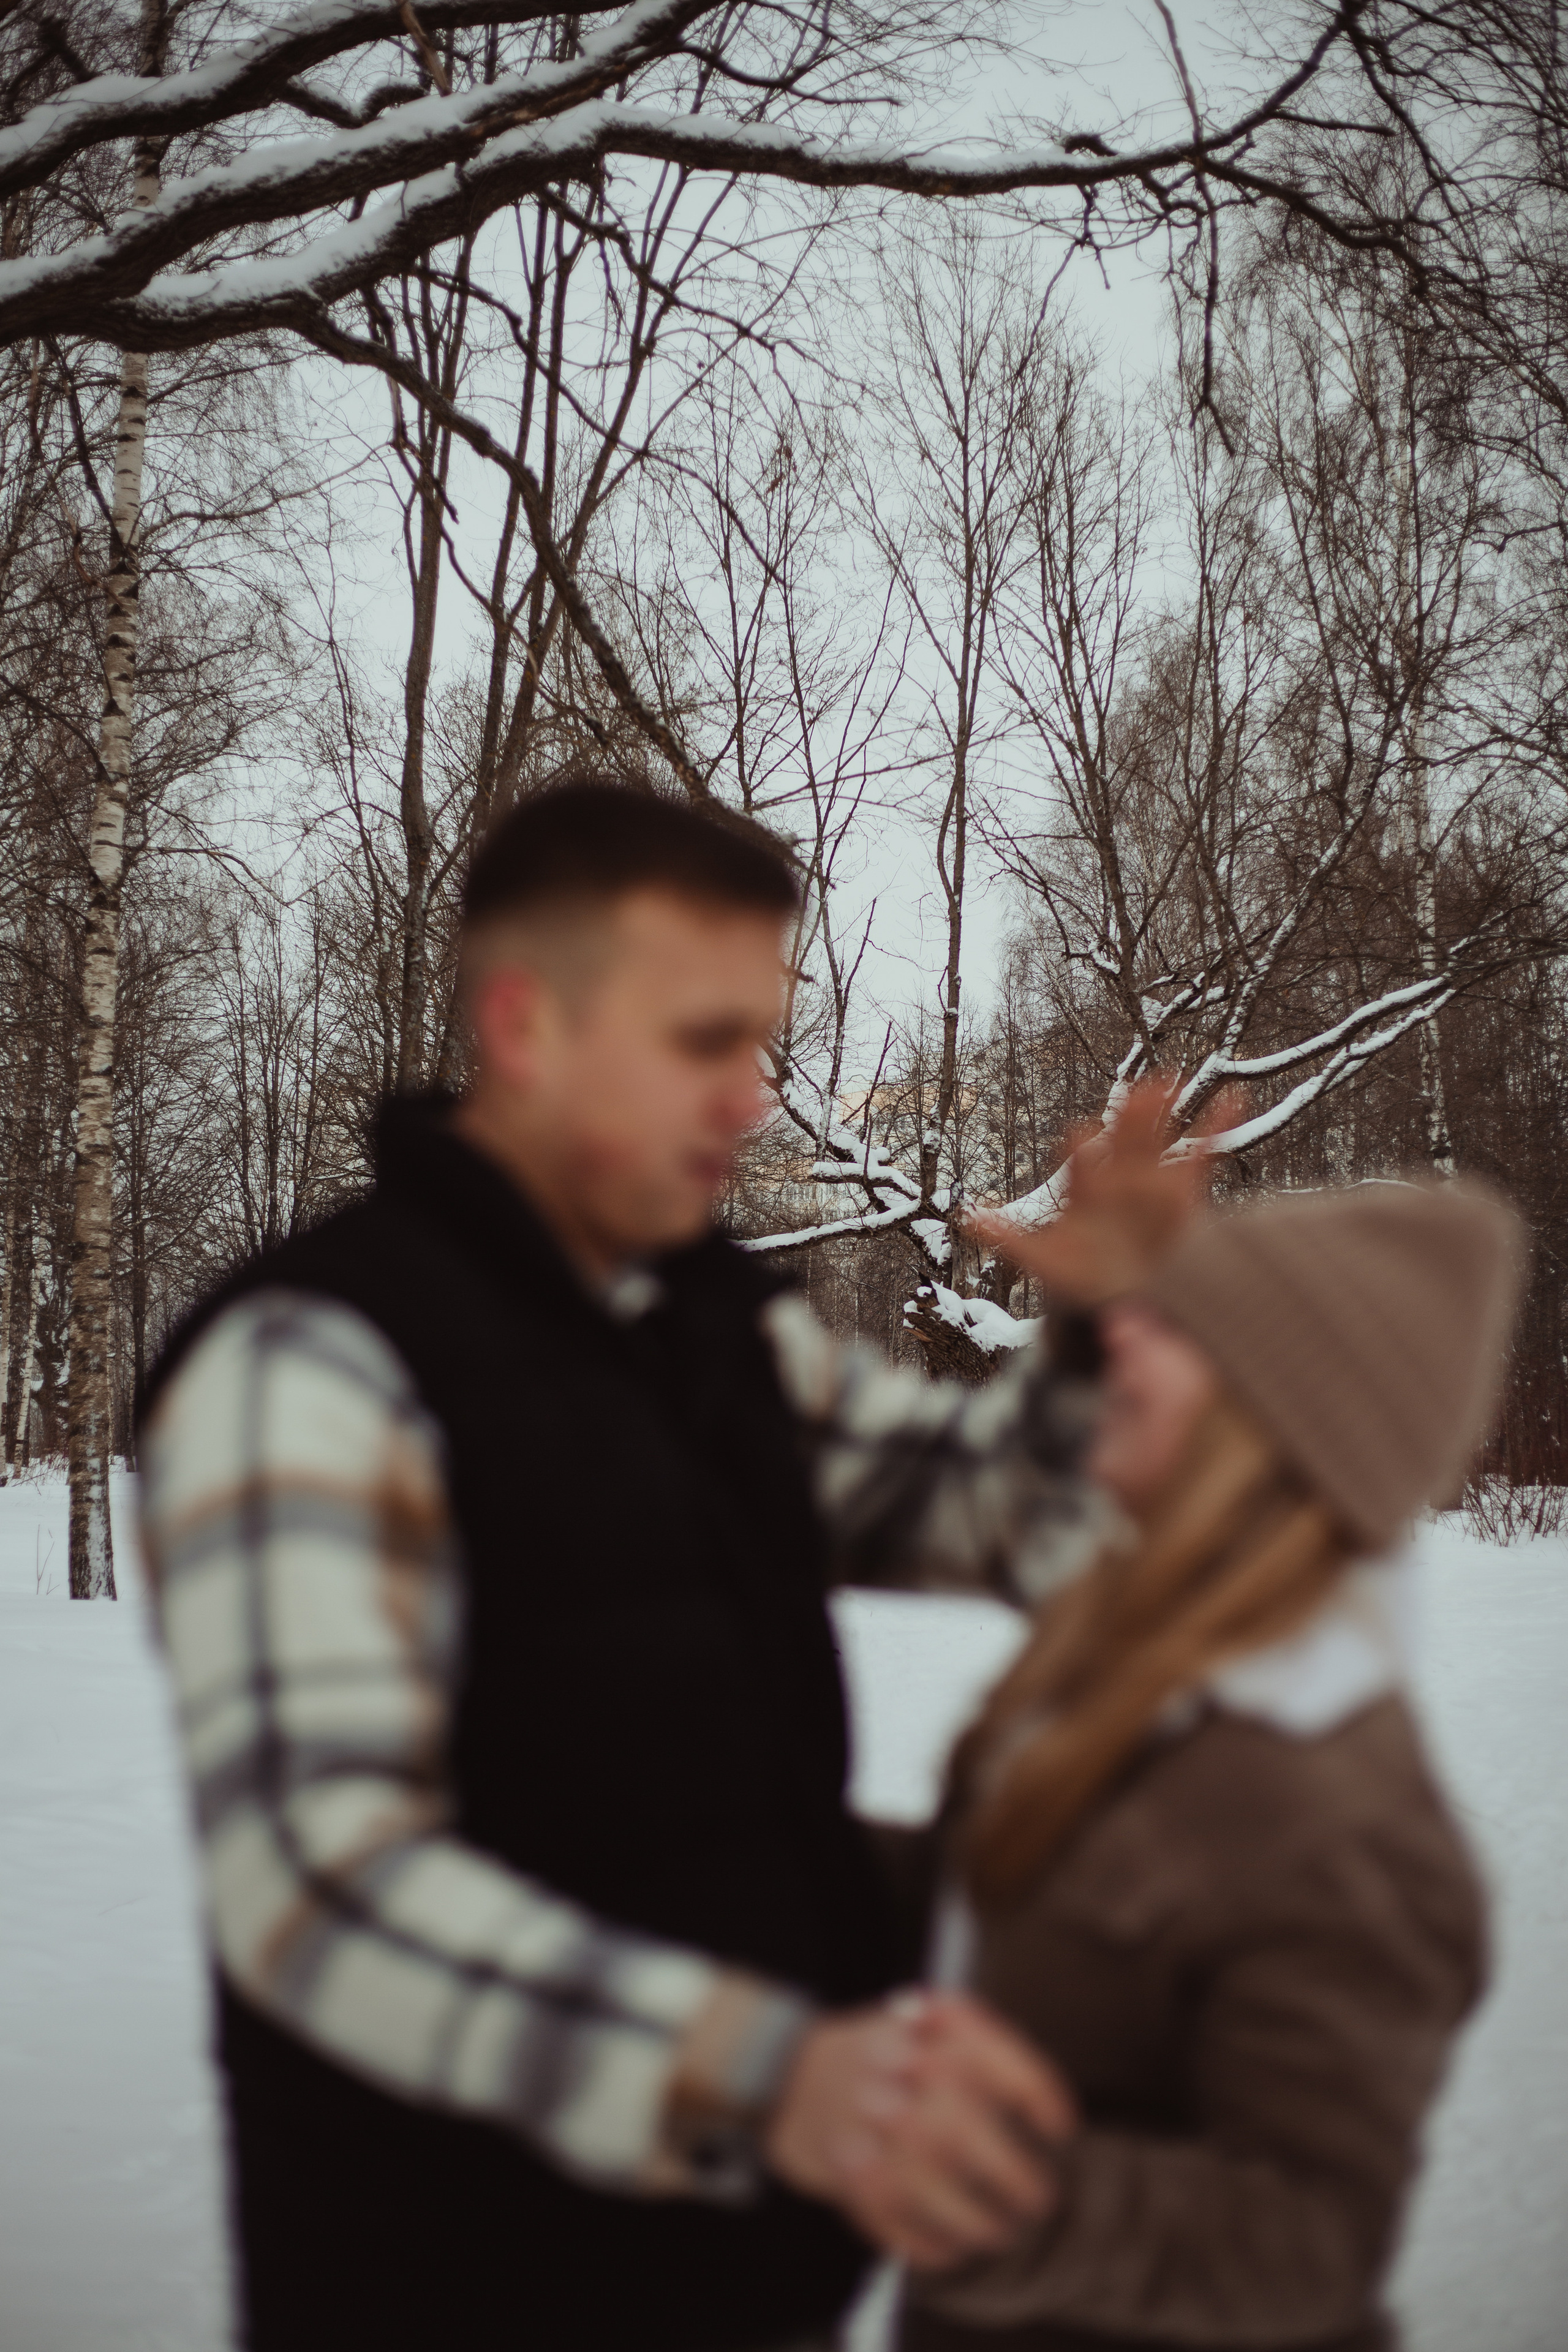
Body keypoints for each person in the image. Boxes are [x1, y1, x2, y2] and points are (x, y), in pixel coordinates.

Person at [137, 779, 1102, 2352]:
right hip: (449, 2292)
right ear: (521, 1027)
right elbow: (320, 1886)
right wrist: (769, 2074)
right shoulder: (312, 1362)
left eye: (762, 1043)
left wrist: (1110, 1337)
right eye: (702, 1042)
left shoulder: (707, 1334)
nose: (754, 1098)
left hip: (744, 2279)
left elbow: (1002, 1514)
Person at [895, 1170, 1523, 2352]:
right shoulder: (1138, 1666)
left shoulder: (1343, 1820)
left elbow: (1306, 2241)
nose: (1120, 1330)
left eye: (1179, 1325)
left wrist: (1004, 2191)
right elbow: (997, 1892)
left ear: (1273, 1426)